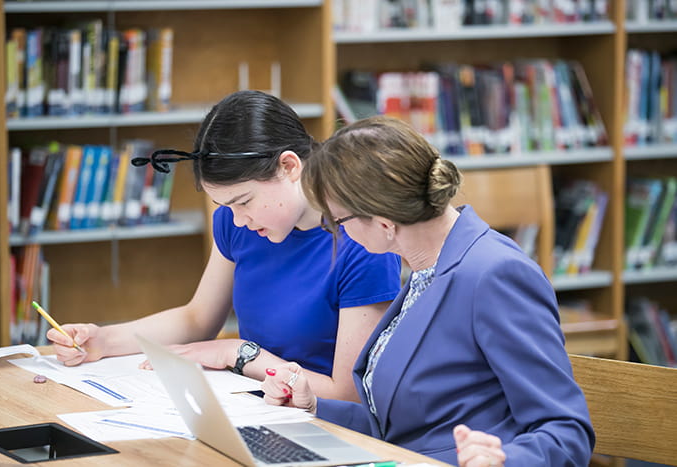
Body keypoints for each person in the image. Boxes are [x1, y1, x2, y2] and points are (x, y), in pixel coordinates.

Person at [262, 116, 595, 466]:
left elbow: (566, 432)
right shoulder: (426, 269)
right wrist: (315, 408)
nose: (335, 233)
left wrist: (504, 460)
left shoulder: (496, 274)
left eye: (337, 221)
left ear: (384, 224)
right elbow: (406, 426)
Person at [47, 91, 401, 402]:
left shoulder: (362, 242)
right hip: (253, 404)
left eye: (243, 201)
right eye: (225, 206)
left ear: (289, 166)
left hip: (324, 428)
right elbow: (197, 319)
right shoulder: (240, 225)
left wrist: (240, 354)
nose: (236, 219)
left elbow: (347, 394)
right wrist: (102, 341)